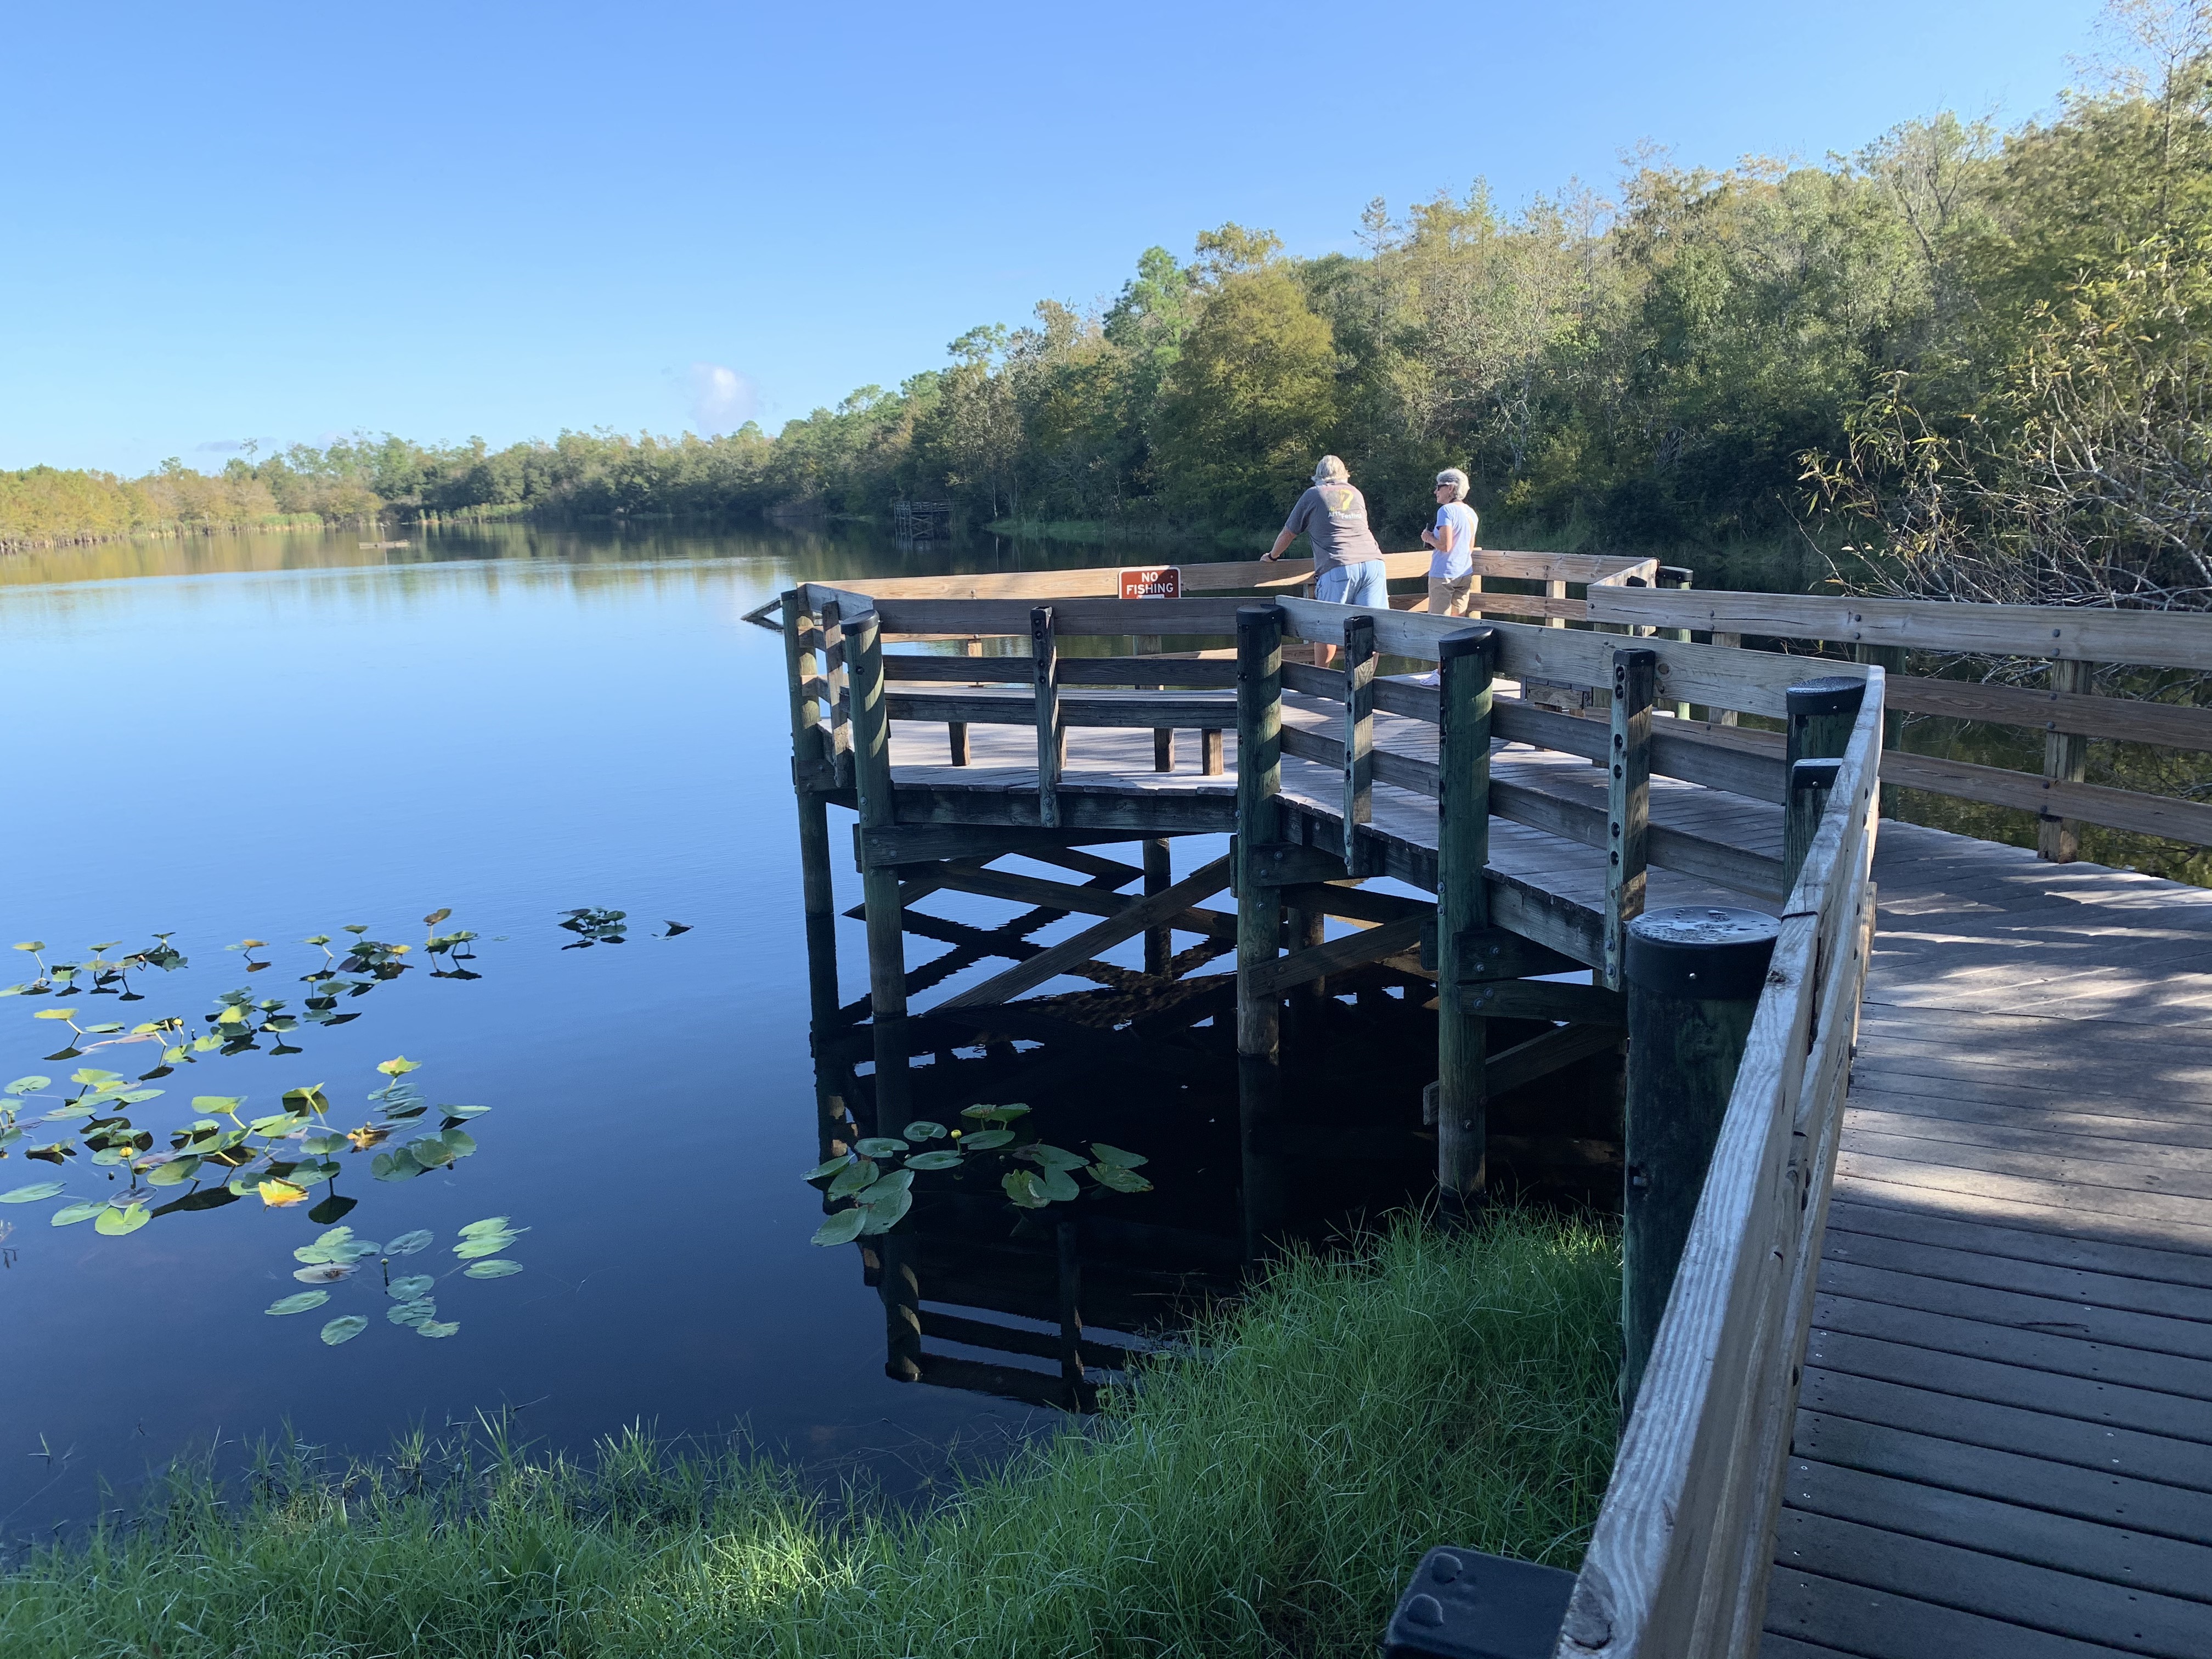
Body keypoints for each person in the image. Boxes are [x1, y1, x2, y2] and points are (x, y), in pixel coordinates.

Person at [1262, 455, 1385, 665]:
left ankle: (1323, 682)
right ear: (1344, 475)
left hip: (1339, 565)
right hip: (1374, 563)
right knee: (1372, 629)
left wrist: (1272, 556)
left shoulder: (1314, 494)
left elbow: (1288, 532)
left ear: (1318, 476)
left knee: (1326, 627)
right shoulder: (1356, 493)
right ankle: (1365, 687)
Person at [1421, 468, 1480, 617]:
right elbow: (1470, 548)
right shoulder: (1471, 513)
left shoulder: (1446, 511)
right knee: (1458, 623)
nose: (1436, 491)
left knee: (1438, 622)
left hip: (1444, 574)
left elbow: (1445, 546)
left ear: (1451, 488)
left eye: (1439, 487)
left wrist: (1428, 538)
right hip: (1464, 573)